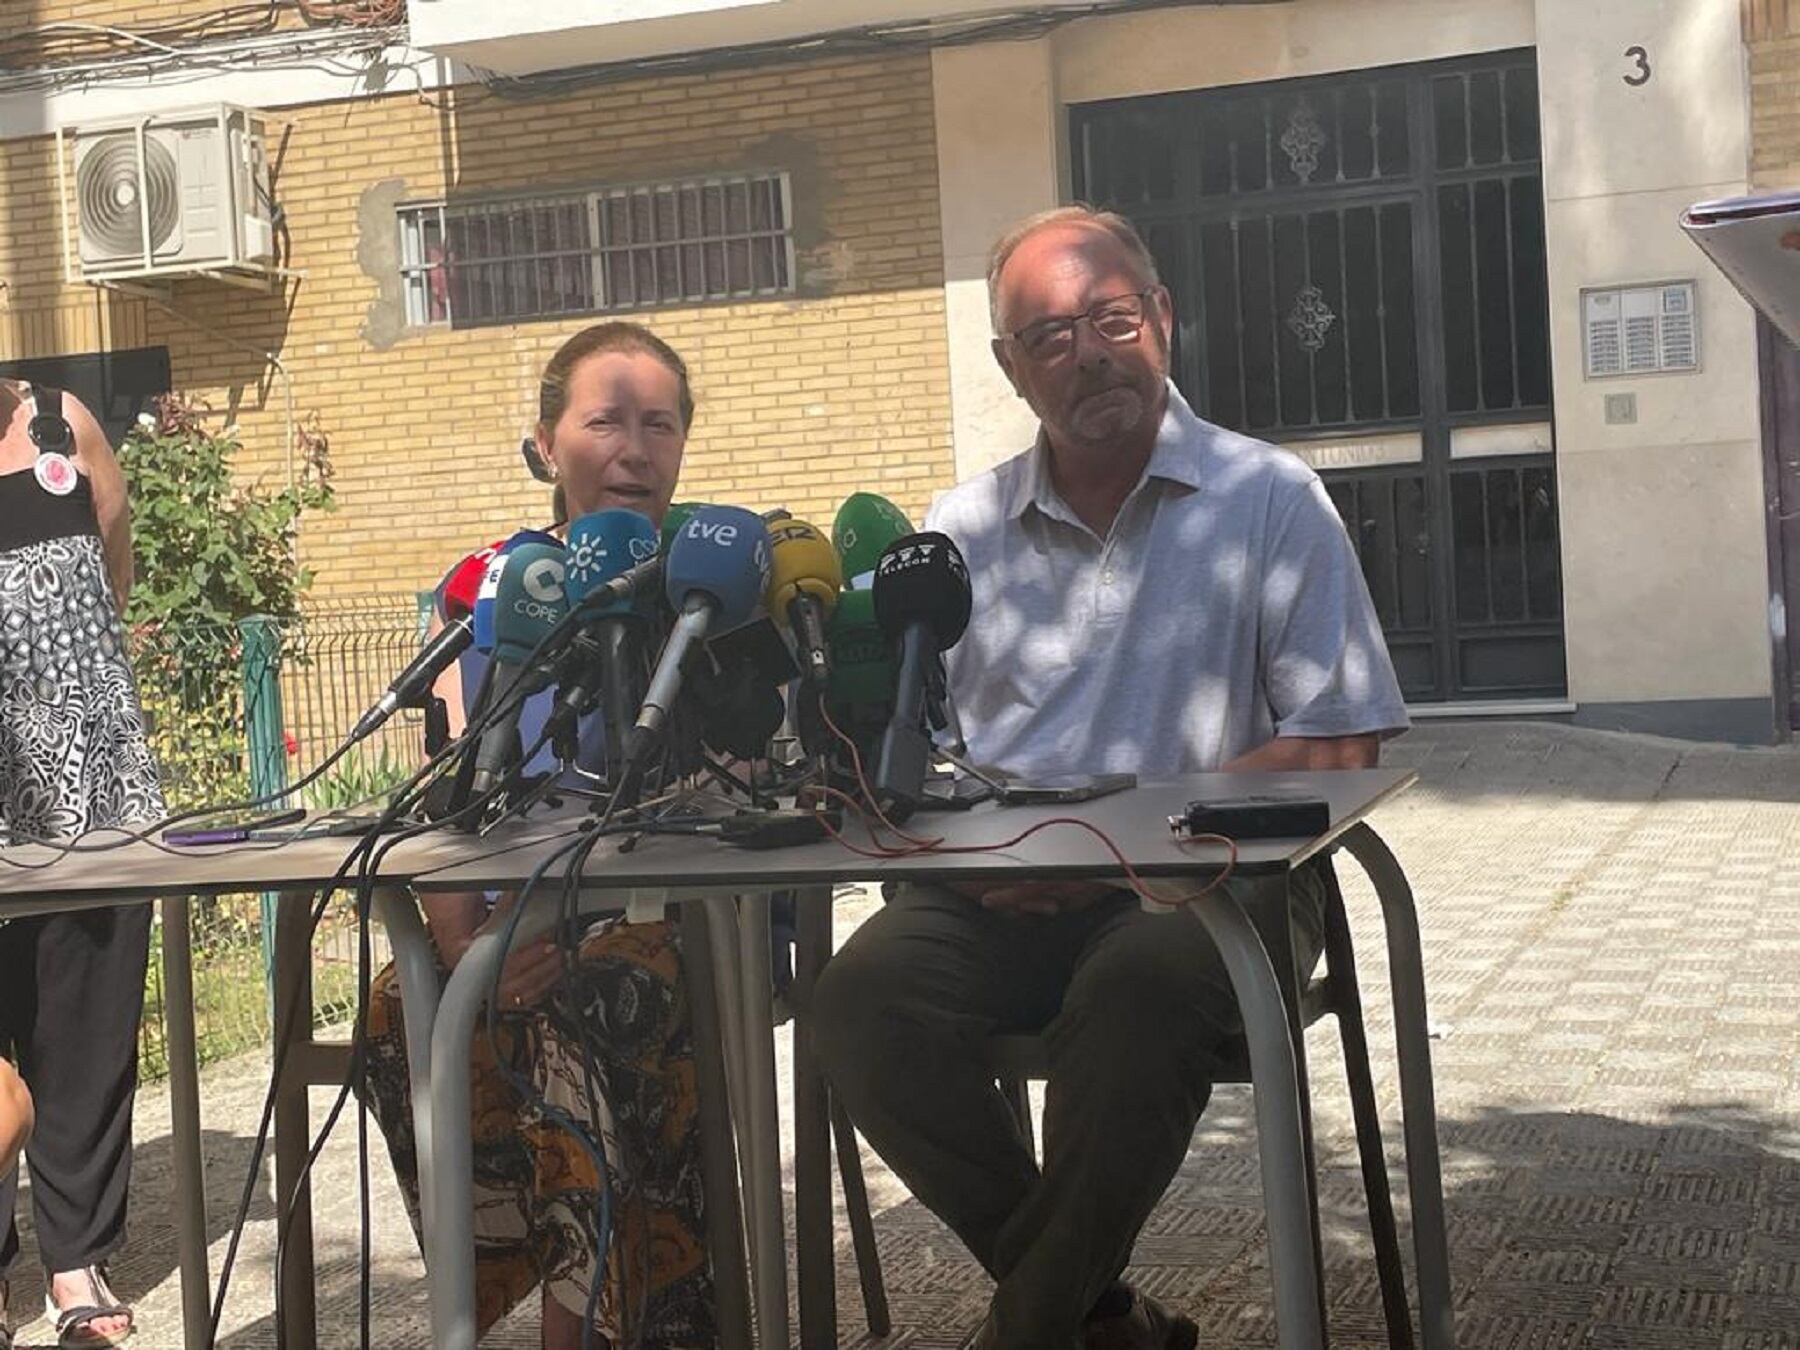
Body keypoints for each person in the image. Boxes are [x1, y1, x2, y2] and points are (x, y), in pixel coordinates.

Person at [811, 206, 1410, 1350]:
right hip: (999, 894)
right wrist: (952, 842)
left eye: (1110, 318)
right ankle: (1097, 1318)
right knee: (857, 1001)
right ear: (1011, 368)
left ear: (1162, 321)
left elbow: (1339, 742)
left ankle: (1032, 1328)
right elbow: (923, 750)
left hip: (1215, 892)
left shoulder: (1269, 499)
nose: (1086, 351)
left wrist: (1117, 849)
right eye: (1048, 336)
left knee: (1138, 985)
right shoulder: (963, 527)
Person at [361, 322, 716, 1349]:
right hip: (517, 915)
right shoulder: (488, 592)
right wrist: (463, 942)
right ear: (545, 444)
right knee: (399, 1005)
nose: (634, 449)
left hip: (686, 920)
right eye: (605, 421)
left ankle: (580, 1336)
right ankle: (476, 1307)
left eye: (659, 423)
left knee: (591, 999)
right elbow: (449, 797)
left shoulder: (723, 581)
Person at [0, 379, 164, 1348]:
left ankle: (74, 1261)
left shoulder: (63, 423)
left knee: (84, 1027)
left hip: (82, 786)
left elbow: (114, 567)